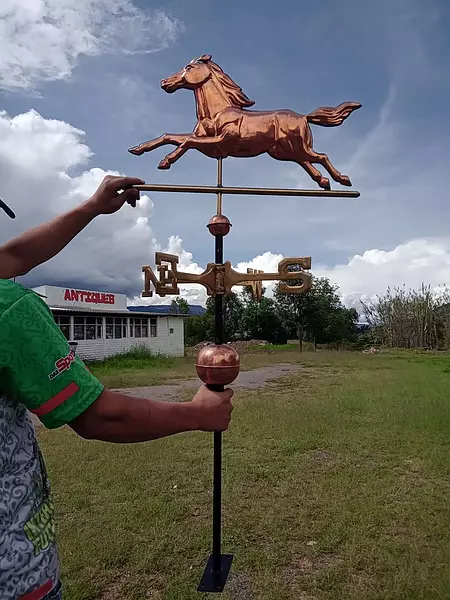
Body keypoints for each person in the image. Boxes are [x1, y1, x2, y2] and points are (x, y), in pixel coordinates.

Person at [0, 176, 234, 600]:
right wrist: (198, 414)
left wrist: (90, 207)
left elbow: (13, 255)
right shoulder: (10, 308)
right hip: (13, 570)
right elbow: (96, 416)